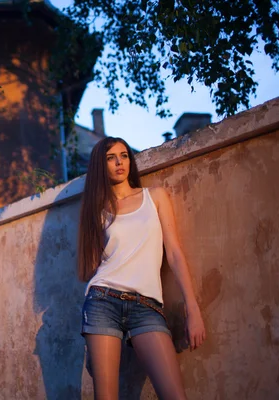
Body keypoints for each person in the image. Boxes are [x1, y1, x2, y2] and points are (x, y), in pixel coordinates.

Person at [78, 137, 206, 400]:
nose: (119, 162)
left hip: (146, 307)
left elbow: (174, 253)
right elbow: (93, 265)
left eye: (124, 155)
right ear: (101, 166)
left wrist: (192, 309)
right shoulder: (98, 211)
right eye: (110, 157)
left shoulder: (154, 197)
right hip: (103, 301)